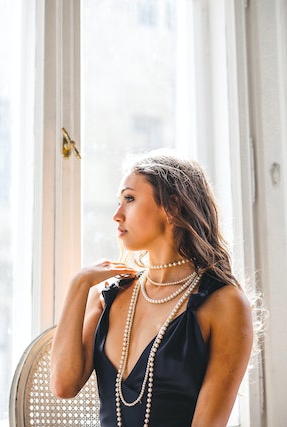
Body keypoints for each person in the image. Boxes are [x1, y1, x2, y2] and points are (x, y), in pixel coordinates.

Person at [50, 152, 255, 426]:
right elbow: (64, 386)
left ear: (173, 206)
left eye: (130, 199)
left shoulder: (224, 304)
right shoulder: (107, 296)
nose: (116, 215)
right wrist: (79, 285)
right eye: (118, 201)